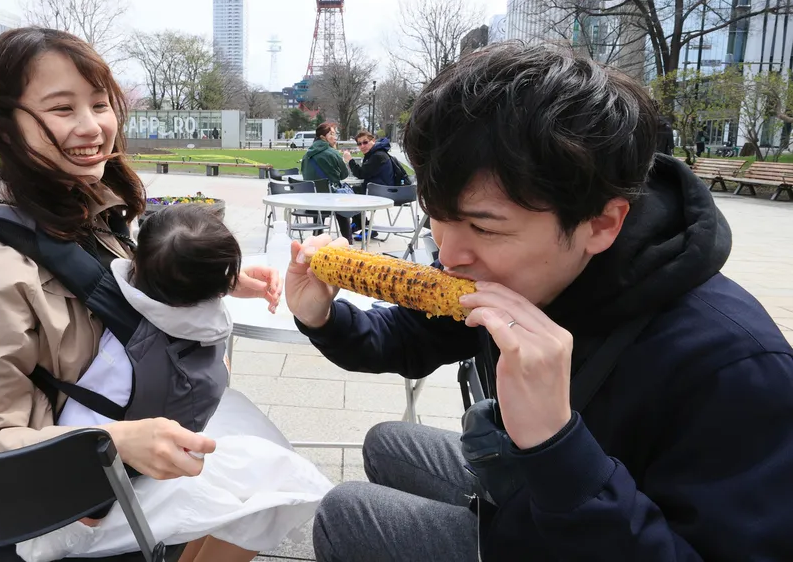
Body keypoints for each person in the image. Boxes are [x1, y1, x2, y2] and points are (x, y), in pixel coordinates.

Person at [285, 43, 793, 561]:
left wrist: (558, 443)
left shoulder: (737, 368)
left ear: (602, 223)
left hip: (587, 533)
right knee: (387, 441)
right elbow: (414, 336)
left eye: (483, 225)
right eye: (436, 215)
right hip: (528, 490)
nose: (450, 254)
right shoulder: (521, 267)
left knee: (346, 510)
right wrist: (322, 317)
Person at [0, 27, 292, 562]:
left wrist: (212, 280)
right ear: (4, 125)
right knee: (273, 491)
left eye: (100, 103)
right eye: (61, 108)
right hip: (65, 492)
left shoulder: (81, 206)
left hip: (118, 433)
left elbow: (115, 291)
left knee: (269, 462)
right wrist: (113, 444)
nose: (92, 127)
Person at [18, 203, 331, 561]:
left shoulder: (122, 298)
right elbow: (84, 441)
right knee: (278, 490)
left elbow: (174, 293)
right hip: (86, 511)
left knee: (255, 458)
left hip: (102, 471)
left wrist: (228, 283)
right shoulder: (149, 364)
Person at [300, 122, 353, 241]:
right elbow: (344, 175)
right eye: (332, 134)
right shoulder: (332, 153)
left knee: (320, 194)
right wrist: (344, 161)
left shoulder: (306, 155)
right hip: (331, 202)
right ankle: (347, 240)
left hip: (311, 203)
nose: (335, 137)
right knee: (341, 203)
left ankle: (317, 237)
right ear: (323, 137)